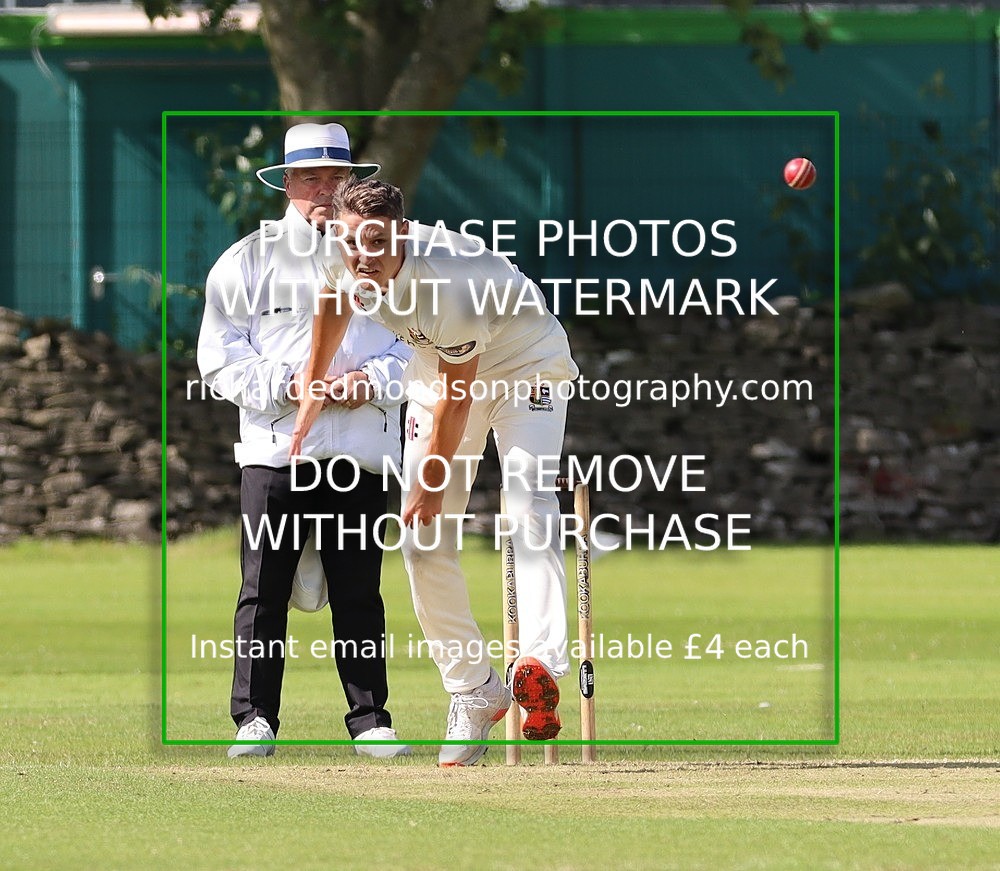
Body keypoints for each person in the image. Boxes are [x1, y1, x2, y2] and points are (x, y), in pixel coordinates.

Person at [289, 177, 580, 767]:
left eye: (375, 244)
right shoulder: (340, 248)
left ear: (401, 233)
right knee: (422, 540)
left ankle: (540, 665)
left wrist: (428, 483)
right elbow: (332, 301)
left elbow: (458, 394)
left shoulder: (448, 283)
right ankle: (473, 690)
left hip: (526, 364)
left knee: (528, 507)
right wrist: (314, 387)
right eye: (351, 243)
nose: (361, 256)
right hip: (439, 368)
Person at [198, 123, 412, 759]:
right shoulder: (248, 260)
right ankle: (254, 719)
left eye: (334, 178)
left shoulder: (388, 256)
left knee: (359, 590)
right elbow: (218, 358)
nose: (323, 190)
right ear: (287, 184)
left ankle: (371, 720)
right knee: (263, 590)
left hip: (361, 452)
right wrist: (294, 384)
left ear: (352, 183)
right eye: (310, 178)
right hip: (277, 452)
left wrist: (369, 382)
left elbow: (419, 347)